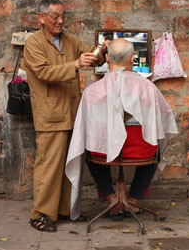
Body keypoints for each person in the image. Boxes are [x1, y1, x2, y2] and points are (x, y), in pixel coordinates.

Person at [66, 38, 178, 220]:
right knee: (154, 148)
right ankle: (133, 200)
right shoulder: (147, 88)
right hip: (140, 152)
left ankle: (111, 199)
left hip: (103, 153)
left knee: (91, 150)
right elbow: (163, 121)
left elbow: (83, 131)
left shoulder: (92, 91)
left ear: (107, 58)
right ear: (133, 59)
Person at [22, 0, 106, 232]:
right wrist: (76, 65)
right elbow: (45, 73)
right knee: (49, 166)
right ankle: (41, 214)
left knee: (71, 165)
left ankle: (66, 210)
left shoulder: (68, 40)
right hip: (50, 115)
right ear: (41, 18)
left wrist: (101, 50)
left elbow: (90, 54)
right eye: (55, 17)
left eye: (63, 17)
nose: (60, 21)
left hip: (72, 111)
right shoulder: (34, 44)